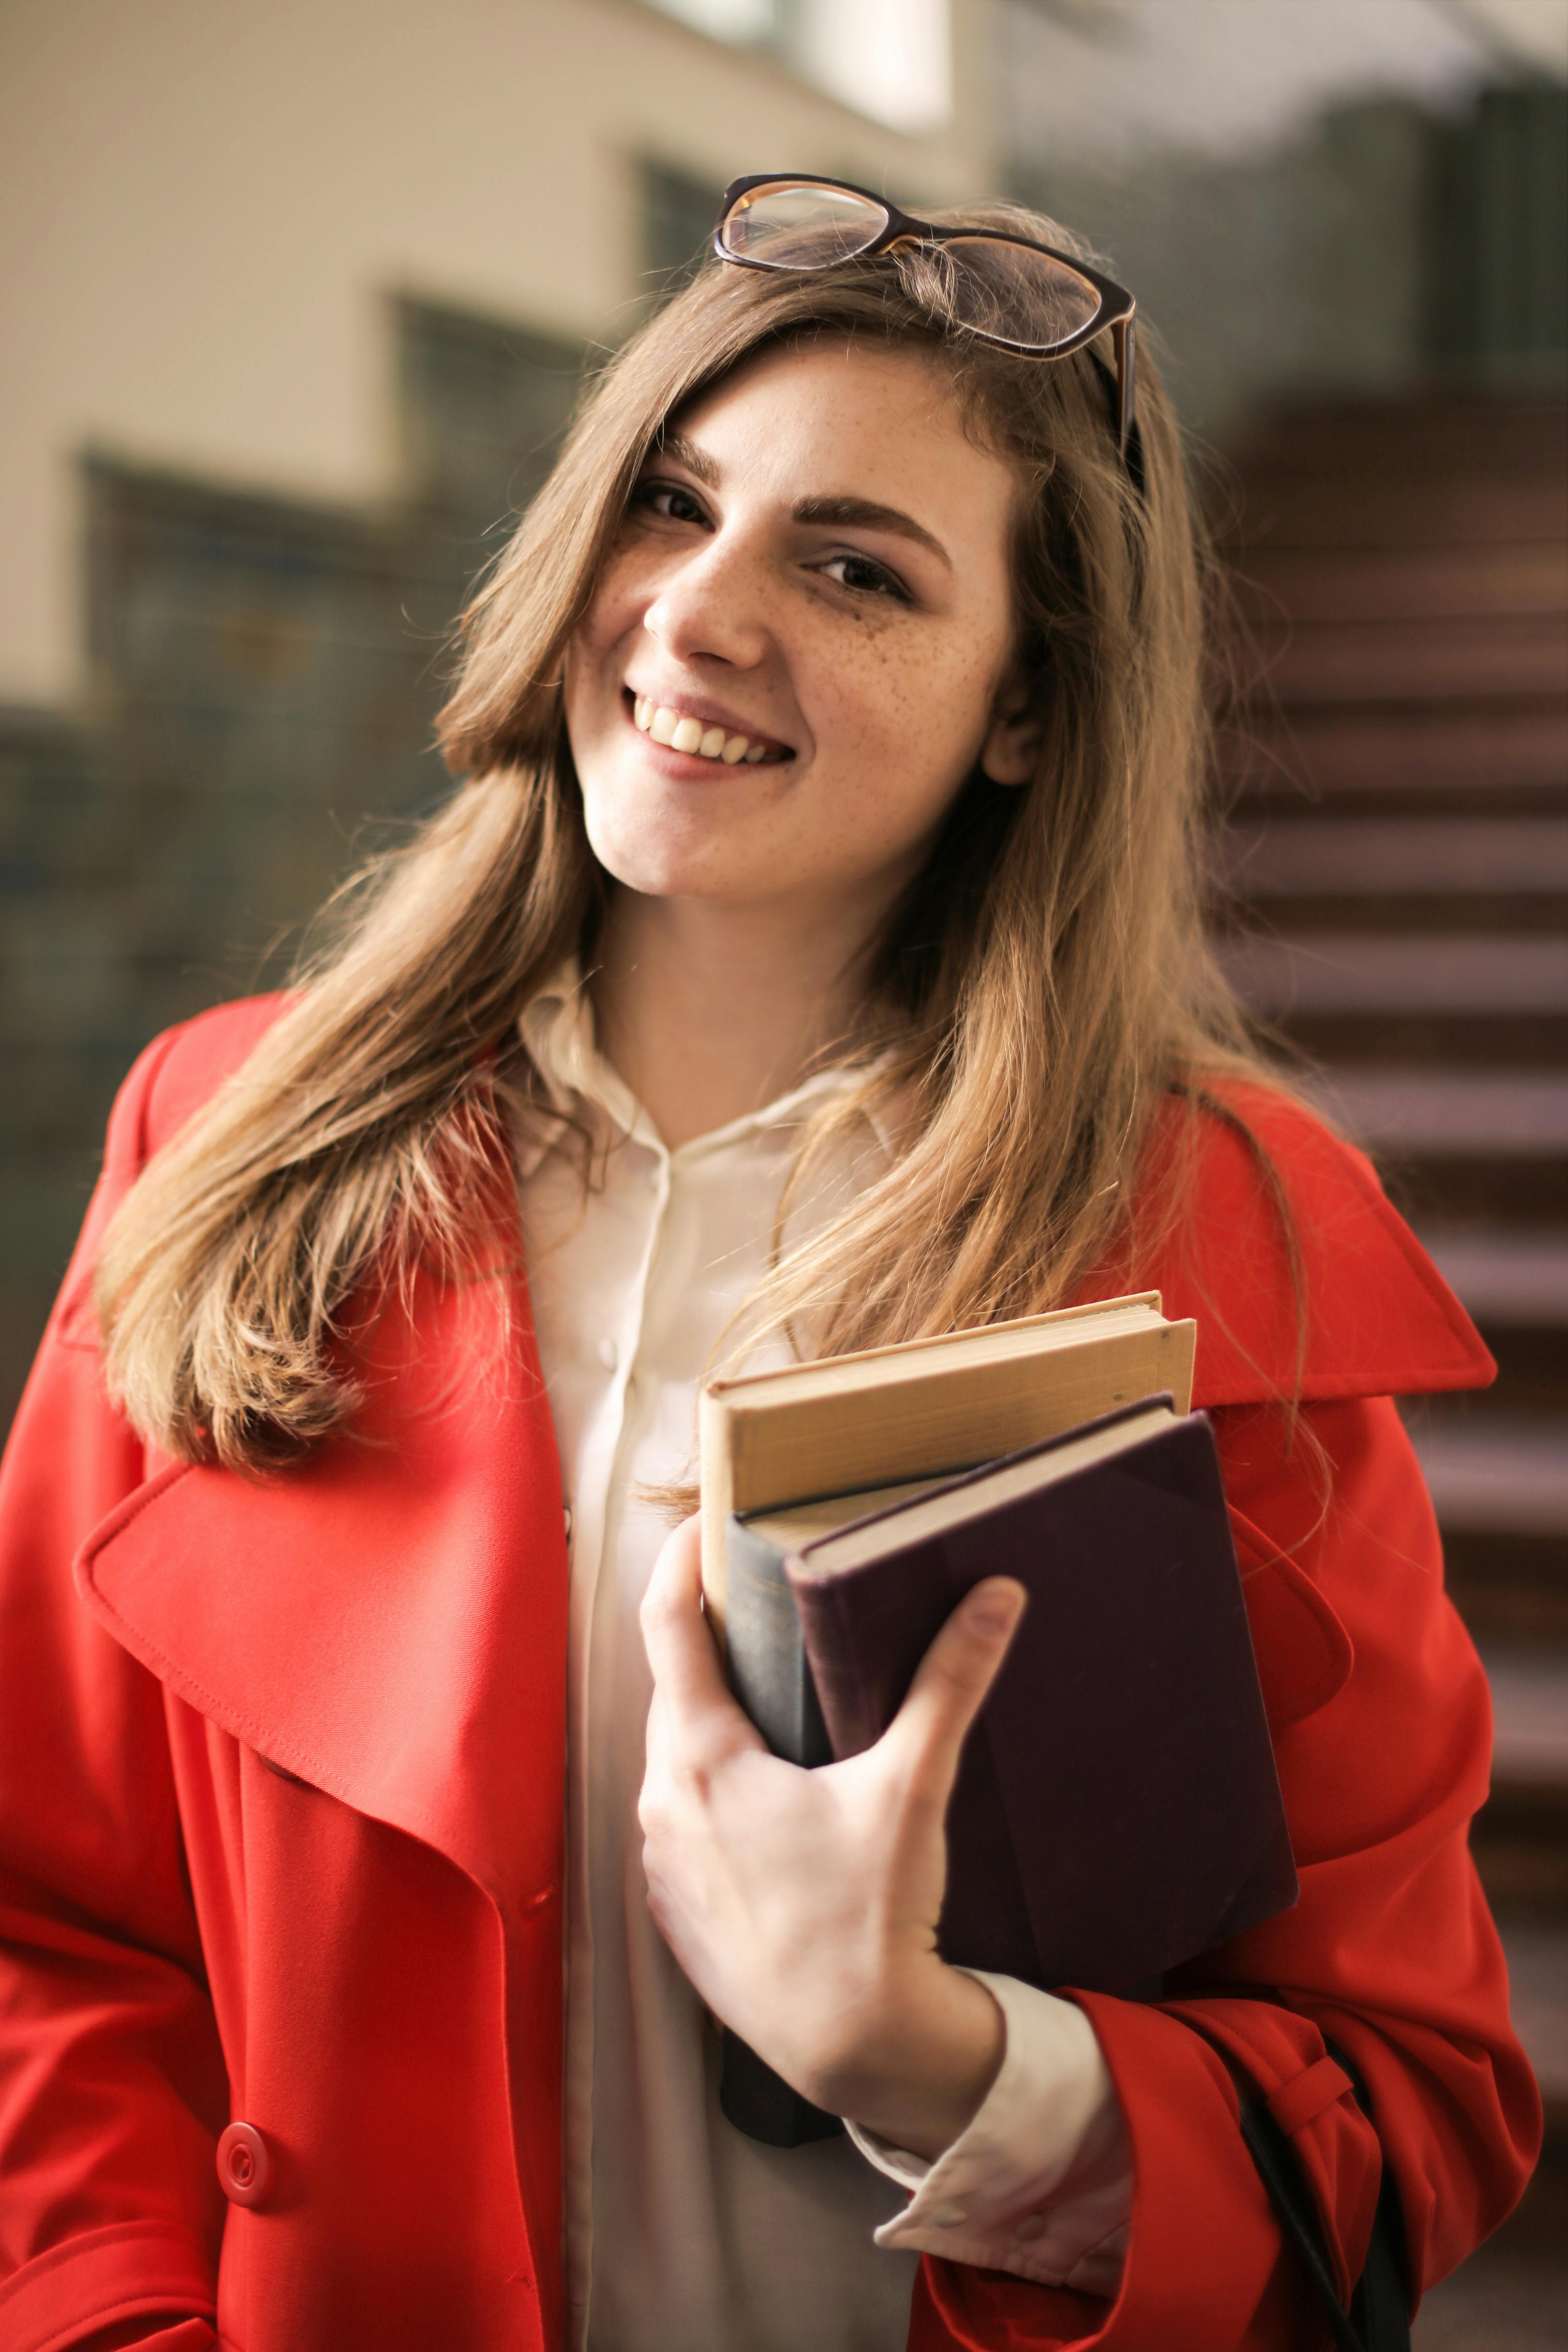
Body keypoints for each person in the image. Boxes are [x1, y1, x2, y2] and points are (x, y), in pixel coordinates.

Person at [0, 181, 1541, 2352]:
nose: (695, 613)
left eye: (852, 568)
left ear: (1028, 710)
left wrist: (931, 2055)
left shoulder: (1218, 1246)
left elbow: (1402, 2099)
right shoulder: (226, 1133)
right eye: (668, 500)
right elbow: (54, 1931)